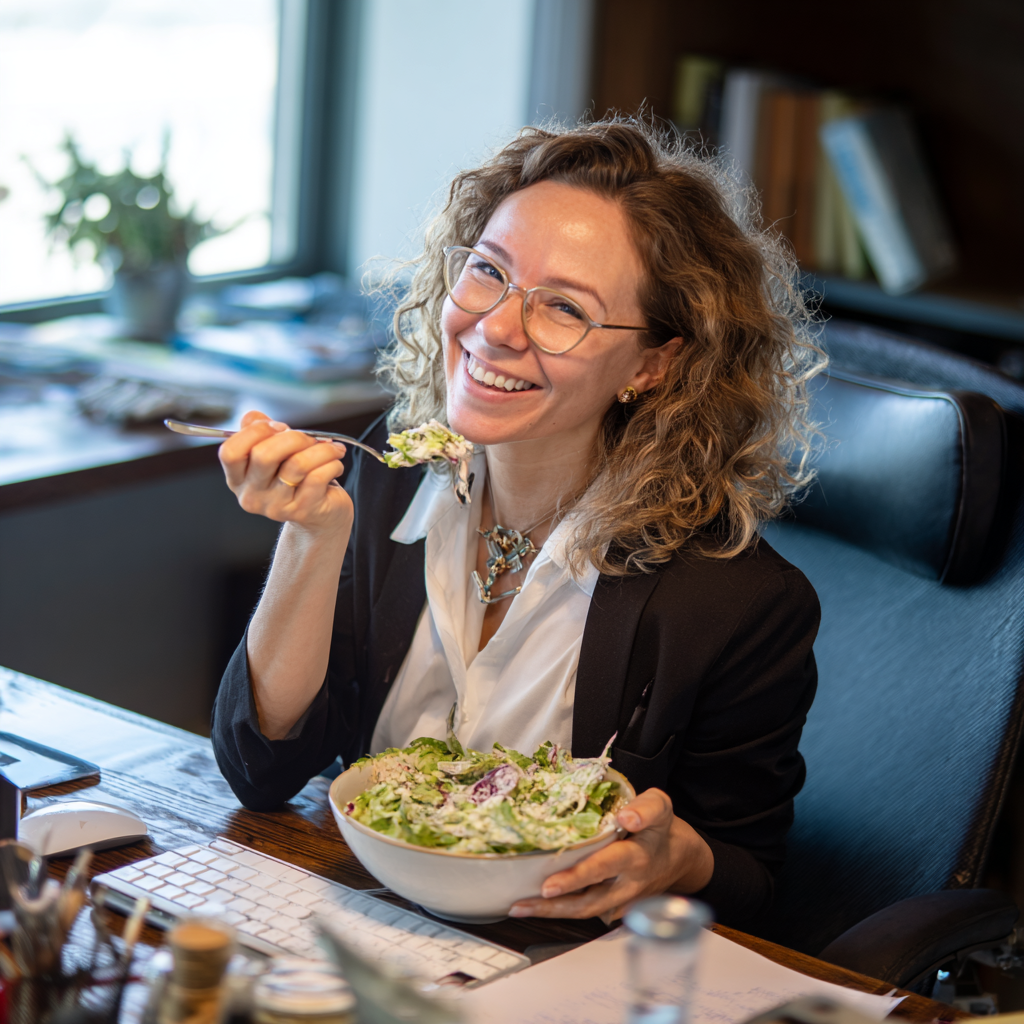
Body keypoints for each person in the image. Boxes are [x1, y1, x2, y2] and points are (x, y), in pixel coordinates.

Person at [211, 118, 824, 927]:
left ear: (652, 364)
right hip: (367, 931)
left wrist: (676, 858)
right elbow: (262, 765)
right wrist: (311, 537)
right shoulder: (388, 491)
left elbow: (754, 883)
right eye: (487, 273)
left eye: (563, 308)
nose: (496, 328)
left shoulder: (738, 605)